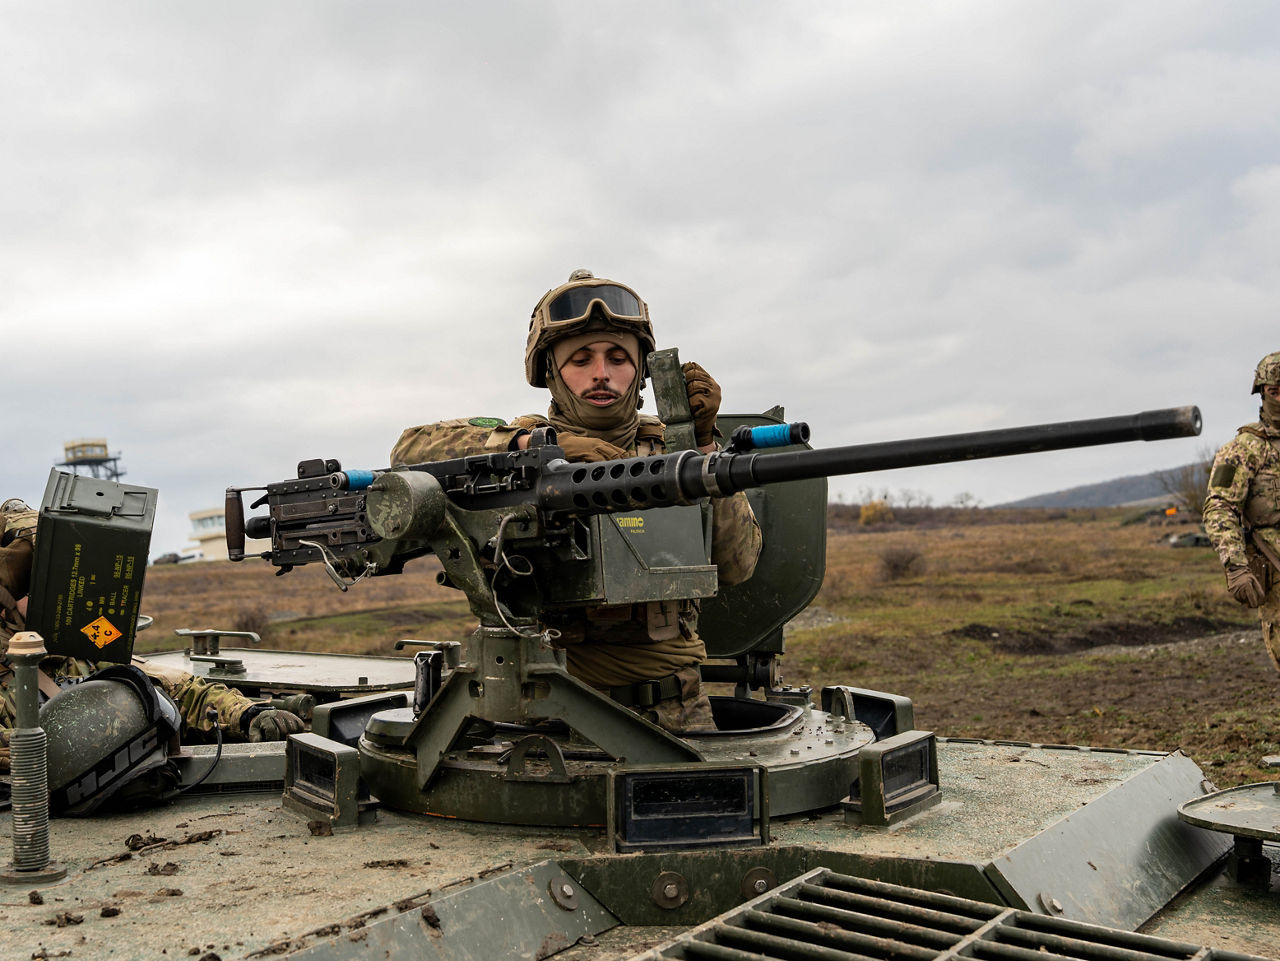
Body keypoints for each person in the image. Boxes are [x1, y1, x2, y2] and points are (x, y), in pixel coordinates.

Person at [391, 269, 762, 731]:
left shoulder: (674, 451)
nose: (601, 374)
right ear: (551, 372)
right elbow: (409, 449)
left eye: (618, 357)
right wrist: (537, 449)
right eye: (581, 359)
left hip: (675, 712)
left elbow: (736, 566)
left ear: (643, 370)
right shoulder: (515, 444)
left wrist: (705, 448)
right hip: (544, 713)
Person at [0, 497, 304, 772]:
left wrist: (247, 715)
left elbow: (179, 691)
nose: (58, 594)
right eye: (36, 582)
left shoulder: (85, 643)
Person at [1204, 351, 1280, 670]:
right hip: (1274, 565)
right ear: (1261, 392)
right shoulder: (1245, 449)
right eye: (1276, 390)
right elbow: (1220, 508)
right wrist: (1235, 565)